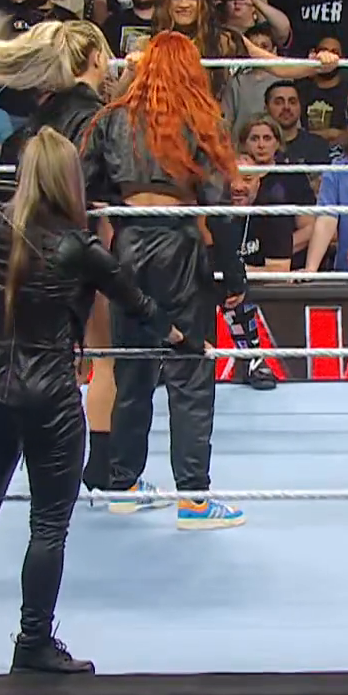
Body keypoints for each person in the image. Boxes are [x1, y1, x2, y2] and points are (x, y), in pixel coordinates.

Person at [0, 127, 187, 676]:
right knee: (47, 527)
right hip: (52, 400)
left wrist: (15, 192)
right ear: (69, 181)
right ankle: (33, 642)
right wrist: (185, 338)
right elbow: (138, 305)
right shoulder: (78, 248)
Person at [77, 31, 250, 530]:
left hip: (128, 245)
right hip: (178, 245)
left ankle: (124, 484)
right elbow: (218, 203)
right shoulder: (198, 118)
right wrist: (233, 274)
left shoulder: (112, 120)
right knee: (189, 371)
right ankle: (193, 499)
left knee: (132, 367)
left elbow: (84, 187)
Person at [0, 17, 125, 496]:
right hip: (80, 241)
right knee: (103, 357)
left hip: (28, 248)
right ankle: (101, 470)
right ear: (94, 58)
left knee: (49, 354)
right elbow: (100, 182)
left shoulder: (43, 113)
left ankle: (38, 460)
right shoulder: (96, 115)